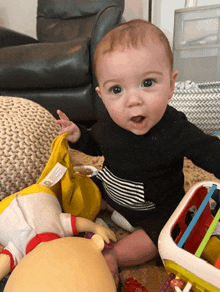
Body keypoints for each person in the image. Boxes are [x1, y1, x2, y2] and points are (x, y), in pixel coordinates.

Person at [55, 19, 220, 285]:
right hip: (113, 192)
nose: (133, 100)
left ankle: (113, 257)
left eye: (148, 83)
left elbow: (209, 151)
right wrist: (78, 136)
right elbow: (95, 146)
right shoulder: (109, 123)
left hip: (155, 211)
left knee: (164, 238)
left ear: (171, 85)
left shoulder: (176, 129)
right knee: (79, 187)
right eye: (116, 90)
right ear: (102, 95)